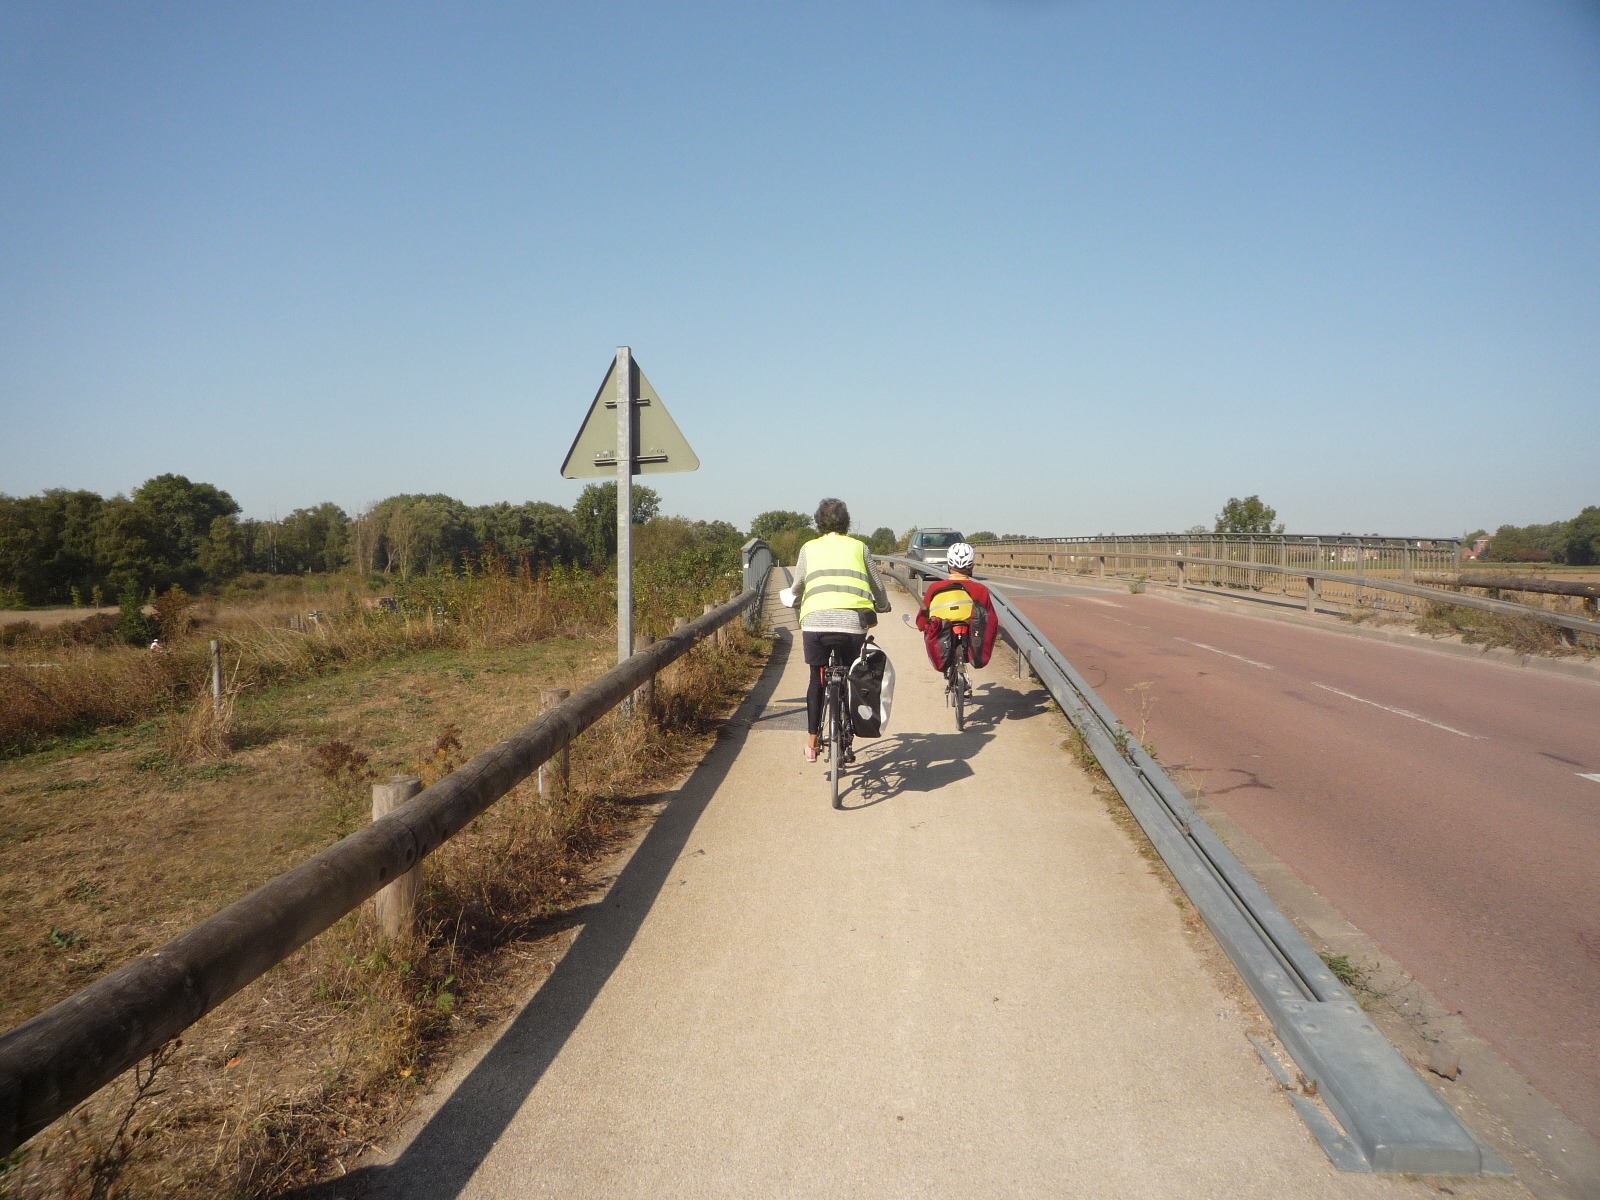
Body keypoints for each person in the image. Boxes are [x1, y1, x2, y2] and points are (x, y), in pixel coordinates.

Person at [785, 498, 891, 762]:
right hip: (853, 624)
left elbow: (797, 586)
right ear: (846, 522)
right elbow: (877, 585)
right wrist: (883, 605)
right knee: (852, 673)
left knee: (815, 678)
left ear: (818, 522)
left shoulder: (808, 548)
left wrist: (795, 598)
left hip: (815, 623)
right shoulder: (860, 547)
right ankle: (850, 726)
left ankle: (811, 742)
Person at [914, 541, 1000, 682]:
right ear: (971, 565)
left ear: (949, 564)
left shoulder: (935, 587)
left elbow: (922, 619)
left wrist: (921, 625)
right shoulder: (981, 590)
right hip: (971, 633)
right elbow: (990, 618)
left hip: (944, 631)